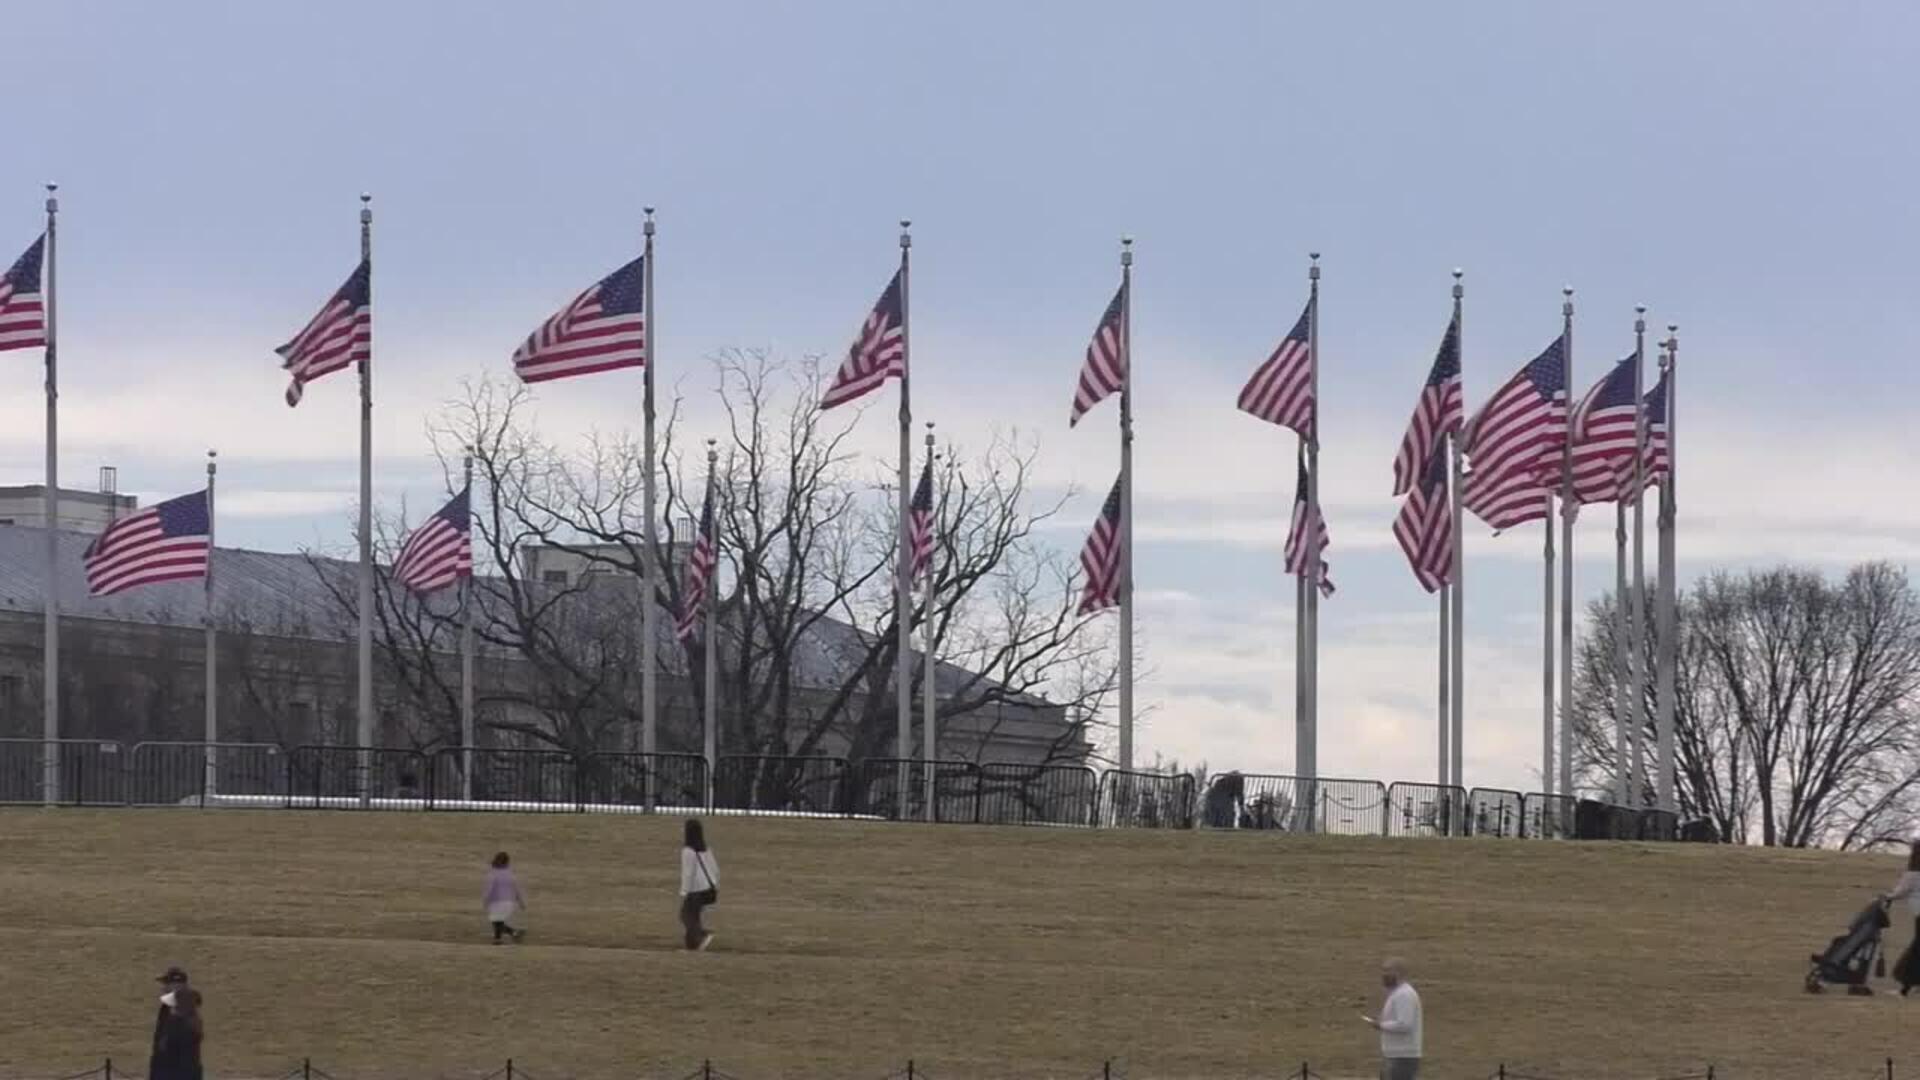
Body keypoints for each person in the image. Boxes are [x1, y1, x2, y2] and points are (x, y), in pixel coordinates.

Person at [1362, 957, 1422, 1080]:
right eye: (1383, 971)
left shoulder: (1404, 994)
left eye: (1387, 971)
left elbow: (1405, 1025)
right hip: (1396, 1055)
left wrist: (1380, 1025)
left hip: (1401, 1056)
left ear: (1399, 973)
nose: (1383, 975)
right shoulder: (1397, 993)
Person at [148, 966, 204, 1080]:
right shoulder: (168, 1008)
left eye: (166, 984)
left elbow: (181, 1048)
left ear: (177, 985)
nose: (163, 988)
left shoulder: (183, 1013)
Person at [679, 818, 719, 951]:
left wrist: (684, 892)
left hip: (696, 890)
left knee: (686, 915)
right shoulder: (706, 849)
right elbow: (715, 869)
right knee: (693, 915)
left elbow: (688, 873)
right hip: (709, 889)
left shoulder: (688, 851)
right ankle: (692, 945)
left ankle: (702, 935)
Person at [1886, 840, 1920, 995]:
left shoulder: (1913, 875)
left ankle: (1905, 987)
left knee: (1916, 951)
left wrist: (1886, 897)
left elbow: (1899, 893)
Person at [483, 851, 528, 944]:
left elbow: (489, 888)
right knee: (498, 921)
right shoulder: (510, 874)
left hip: (497, 902)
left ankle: (512, 933)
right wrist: (521, 902)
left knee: (496, 921)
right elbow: (516, 889)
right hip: (509, 903)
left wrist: (486, 900)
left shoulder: (493, 873)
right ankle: (498, 939)